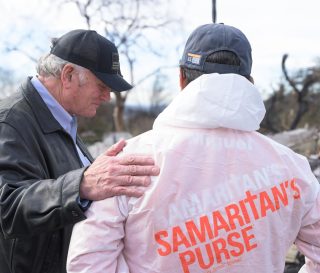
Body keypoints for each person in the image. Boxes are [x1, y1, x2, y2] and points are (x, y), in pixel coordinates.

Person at [66, 24, 320, 273]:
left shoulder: (125, 164)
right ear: (249, 82)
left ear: (181, 77)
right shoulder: (291, 166)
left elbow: (87, 264)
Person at [0, 29, 160, 273]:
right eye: (102, 85)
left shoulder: (64, 120)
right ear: (68, 75)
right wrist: (82, 184)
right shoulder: (10, 121)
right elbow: (7, 207)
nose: (107, 97)